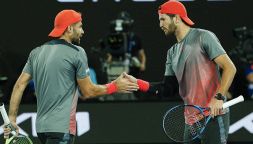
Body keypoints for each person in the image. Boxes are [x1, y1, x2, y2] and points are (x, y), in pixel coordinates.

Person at [3, 10, 138, 144]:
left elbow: (20, 85)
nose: (83, 31)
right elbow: (88, 91)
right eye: (80, 26)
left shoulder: (36, 53)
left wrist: (12, 119)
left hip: (42, 129)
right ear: (69, 28)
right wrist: (115, 86)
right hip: (62, 129)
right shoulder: (77, 53)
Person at [124, 0, 236, 143]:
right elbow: (168, 89)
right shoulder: (171, 53)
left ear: (176, 18)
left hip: (213, 116)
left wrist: (218, 97)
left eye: (163, 19)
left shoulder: (204, 37)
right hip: (190, 121)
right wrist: (139, 83)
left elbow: (230, 68)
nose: (160, 25)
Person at [103, 11, 146, 100]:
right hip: (115, 66)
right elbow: (109, 54)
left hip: (132, 68)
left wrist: (143, 64)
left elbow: (142, 54)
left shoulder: (135, 37)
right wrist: (108, 60)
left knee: (133, 91)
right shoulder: (113, 37)